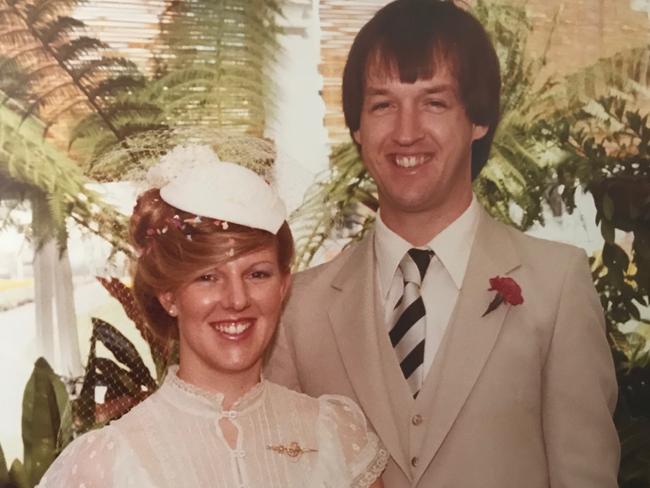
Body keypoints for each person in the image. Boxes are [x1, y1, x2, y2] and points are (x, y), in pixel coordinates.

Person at [266, 1, 620, 487]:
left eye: (434, 102)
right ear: (356, 128)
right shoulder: (300, 309)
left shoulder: (556, 287)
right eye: (383, 105)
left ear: (478, 120)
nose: (406, 133)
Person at [39, 144, 387, 487]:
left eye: (257, 274)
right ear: (169, 295)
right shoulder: (107, 464)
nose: (237, 299)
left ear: (283, 286)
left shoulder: (336, 439)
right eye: (208, 277)